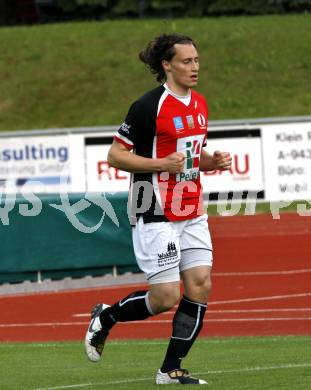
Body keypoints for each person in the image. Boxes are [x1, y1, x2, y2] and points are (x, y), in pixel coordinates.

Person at [85, 33, 232, 385]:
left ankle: (171, 369)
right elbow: (115, 155)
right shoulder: (148, 106)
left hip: (192, 207)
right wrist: (160, 164)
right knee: (166, 297)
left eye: (196, 60)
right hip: (153, 206)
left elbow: (192, 157)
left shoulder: (199, 104)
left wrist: (212, 161)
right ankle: (106, 317)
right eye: (186, 61)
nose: (194, 67)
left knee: (200, 285)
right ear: (166, 65)